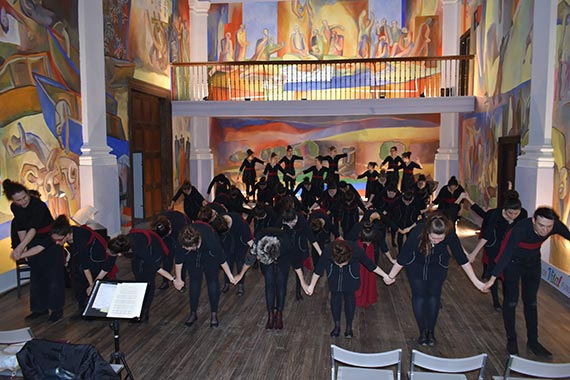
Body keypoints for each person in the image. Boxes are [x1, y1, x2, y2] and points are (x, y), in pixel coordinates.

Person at [386, 213, 486, 346]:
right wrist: (390, 276)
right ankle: (422, 332)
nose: (437, 241)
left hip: (438, 265)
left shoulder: (449, 233)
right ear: (427, 231)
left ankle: (431, 332)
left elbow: (462, 258)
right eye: (434, 238)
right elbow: (403, 258)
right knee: (419, 296)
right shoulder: (417, 232)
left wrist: (476, 282)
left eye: (440, 239)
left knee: (434, 296)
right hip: (416, 265)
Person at [484, 207, 570, 357]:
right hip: (513, 263)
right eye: (541, 225)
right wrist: (492, 278)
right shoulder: (520, 230)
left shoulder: (555, 226)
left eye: (549, 227)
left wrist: (552, 228)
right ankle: (511, 340)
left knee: (531, 302)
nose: (545, 230)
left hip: (532, 263)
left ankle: (533, 342)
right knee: (511, 302)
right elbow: (505, 254)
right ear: (533, 221)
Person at [4, 179, 65, 322]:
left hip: (49, 238)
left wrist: (21, 247)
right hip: (33, 239)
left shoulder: (38, 205)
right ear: (13, 200)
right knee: (37, 276)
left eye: (25, 197)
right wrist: (23, 248)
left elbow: (33, 228)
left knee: (53, 276)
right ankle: (39, 308)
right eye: (19, 200)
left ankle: (56, 309)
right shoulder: (15, 207)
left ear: (27, 193)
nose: (23, 201)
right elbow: (21, 227)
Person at [305, 240, 392, 338]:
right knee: (335, 298)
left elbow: (371, 265)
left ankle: (349, 327)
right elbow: (318, 269)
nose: (341, 266)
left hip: (351, 275)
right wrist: (312, 285)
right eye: (338, 263)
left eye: (343, 264)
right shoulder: (327, 251)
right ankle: (337, 326)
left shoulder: (357, 251)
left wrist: (385, 276)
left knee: (350, 298)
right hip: (334, 274)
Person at [461, 191, 527, 311]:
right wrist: (473, 254)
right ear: (504, 209)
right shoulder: (494, 215)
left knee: (508, 274)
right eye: (510, 213)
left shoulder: (522, 214)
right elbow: (486, 235)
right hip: (494, 247)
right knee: (494, 273)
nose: (513, 216)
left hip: (509, 247)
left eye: (516, 213)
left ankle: (507, 300)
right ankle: (496, 301)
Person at [233, 228, 308, 330]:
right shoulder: (259, 241)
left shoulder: (286, 243)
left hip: (283, 259)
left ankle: (279, 314)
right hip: (267, 257)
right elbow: (250, 258)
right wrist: (241, 274)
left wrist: (303, 283)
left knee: (281, 285)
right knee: (269, 285)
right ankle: (271, 315)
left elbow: (296, 265)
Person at [50, 215, 117, 317]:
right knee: (80, 283)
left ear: (67, 235)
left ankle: (102, 309)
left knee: (98, 282)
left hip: (96, 257)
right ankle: (84, 310)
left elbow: (86, 265)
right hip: (86, 256)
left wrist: (91, 285)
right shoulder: (69, 233)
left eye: (59, 240)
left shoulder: (80, 238)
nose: (57, 243)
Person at [173, 223, 236, 328]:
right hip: (192, 258)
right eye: (184, 247)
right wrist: (178, 279)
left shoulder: (210, 239)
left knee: (212, 281)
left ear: (195, 244)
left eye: (187, 247)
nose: (184, 248)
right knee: (194, 282)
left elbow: (221, 259)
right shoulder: (183, 239)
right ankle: (193, 313)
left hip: (210, 256)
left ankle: (214, 314)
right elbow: (179, 260)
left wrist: (230, 276)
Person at [107, 229, 173, 323]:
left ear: (121, 253)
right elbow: (107, 266)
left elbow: (156, 267)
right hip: (138, 251)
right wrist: (95, 282)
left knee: (148, 281)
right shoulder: (120, 243)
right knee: (139, 280)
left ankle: (144, 312)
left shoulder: (138, 248)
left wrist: (173, 279)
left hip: (154, 250)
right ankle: (138, 311)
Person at [151, 211, 190, 290]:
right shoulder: (156, 223)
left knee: (181, 258)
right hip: (168, 233)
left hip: (181, 232)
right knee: (167, 256)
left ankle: (181, 281)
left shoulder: (180, 222)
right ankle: (165, 281)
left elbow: (179, 257)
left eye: (168, 233)